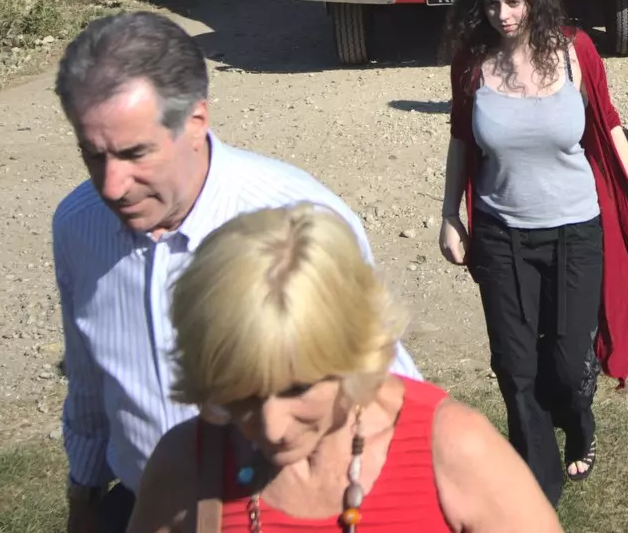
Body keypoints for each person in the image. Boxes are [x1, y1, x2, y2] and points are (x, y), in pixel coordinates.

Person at [51, 12, 418, 533]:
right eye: (93, 156)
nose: (111, 186)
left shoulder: (297, 216)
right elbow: (89, 374)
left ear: (195, 122)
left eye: (135, 154)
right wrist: (84, 491)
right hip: (139, 508)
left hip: (273, 513)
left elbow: (385, 379)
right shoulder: (77, 225)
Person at [127, 204, 562, 533]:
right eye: (241, 393)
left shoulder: (452, 451)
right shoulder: (183, 468)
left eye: (297, 388)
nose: (273, 426)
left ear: (354, 353)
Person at [438, 0, 628, 506]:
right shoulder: (471, 60)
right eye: (491, 5)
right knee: (515, 366)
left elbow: (609, 129)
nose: (503, 15)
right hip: (501, 232)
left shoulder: (575, 52)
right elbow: (461, 139)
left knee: (565, 362)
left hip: (576, 229)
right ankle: (538, 487)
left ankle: (578, 421)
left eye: (513, 2)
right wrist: (449, 215)